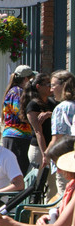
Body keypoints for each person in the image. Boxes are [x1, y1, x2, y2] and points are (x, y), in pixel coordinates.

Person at [45, 70, 75, 199]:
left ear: (63, 85)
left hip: (64, 162)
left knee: (64, 197)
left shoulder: (61, 108)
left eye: (53, 85)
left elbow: (57, 138)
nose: (51, 90)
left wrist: (46, 155)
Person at [2, 64, 34, 174]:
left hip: (13, 136)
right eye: (31, 79)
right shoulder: (18, 92)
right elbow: (21, 114)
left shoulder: (13, 91)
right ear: (25, 79)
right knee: (18, 171)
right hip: (18, 137)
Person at [22, 73, 56, 167]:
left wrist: (50, 114)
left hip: (52, 148)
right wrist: (44, 154)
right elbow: (38, 132)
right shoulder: (33, 105)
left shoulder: (53, 102)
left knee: (52, 181)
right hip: (39, 150)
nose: (51, 87)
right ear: (38, 87)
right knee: (39, 181)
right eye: (48, 84)